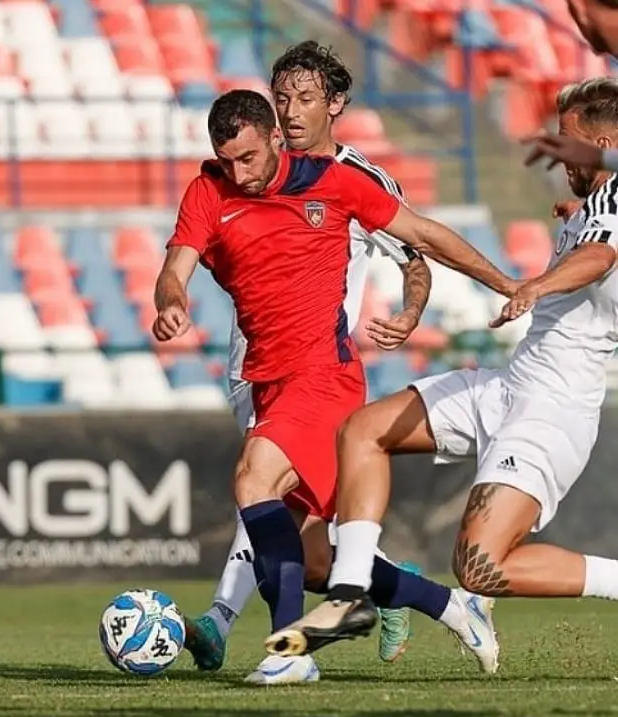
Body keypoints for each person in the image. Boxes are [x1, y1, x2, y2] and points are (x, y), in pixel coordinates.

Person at [153, 88, 514, 684]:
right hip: (266, 380)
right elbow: (175, 268)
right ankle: (454, 606)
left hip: (324, 375)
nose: (238, 173)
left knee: (253, 477)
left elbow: (423, 236)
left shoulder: (335, 183)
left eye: (247, 158)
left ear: (274, 137)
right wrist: (171, 302)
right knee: (315, 560)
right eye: (226, 160)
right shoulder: (208, 191)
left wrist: (507, 283)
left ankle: (291, 655)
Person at [264, 76, 618, 662]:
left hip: (554, 410)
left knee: (479, 566)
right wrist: (576, 211)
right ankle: (350, 591)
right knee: (362, 430)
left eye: (570, 142)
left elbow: (600, 256)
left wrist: (537, 284)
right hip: (511, 385)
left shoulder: (613, 197)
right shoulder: (596, 202)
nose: (562, 155)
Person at [182, 41, 430, 685]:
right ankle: (394, 591)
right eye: (283, 98)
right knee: (301, 538)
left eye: (307, 99)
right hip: (255, 360)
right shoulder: (256, 168)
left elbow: (415, 257)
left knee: (259, 486)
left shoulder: (354, 180)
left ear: (336, 105)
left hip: (321, 366)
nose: (292, 111)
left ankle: (230, 624)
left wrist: (408, 313)